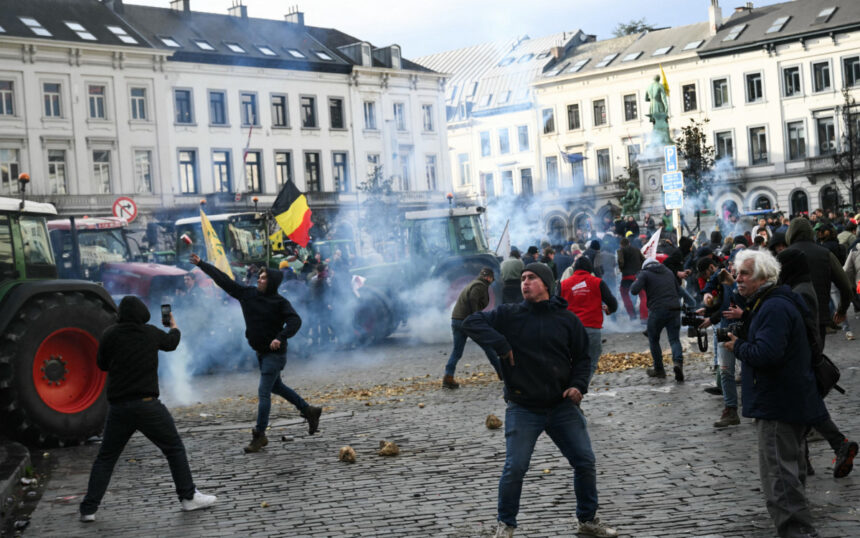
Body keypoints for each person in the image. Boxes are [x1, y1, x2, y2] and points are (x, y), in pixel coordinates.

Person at [462, 263, 618, 538]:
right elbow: (471, 322)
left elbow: (583, 359)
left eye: (531, 278)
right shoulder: (509, 314)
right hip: (523, 407)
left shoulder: (567, 319)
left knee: (584, 461)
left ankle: (587, 520)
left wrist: (578, 386)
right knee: (515, 467)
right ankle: (506, 525)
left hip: (561, 406)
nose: (525, 282)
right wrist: (501, 344)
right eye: (523, 278)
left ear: (546, 284)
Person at [79, 296, 216, 522]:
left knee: (106, 458)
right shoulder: (150, 332)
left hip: (119, 408)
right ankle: (188, 497)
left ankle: (88, 510)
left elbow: (101, 364)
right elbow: (171, 343)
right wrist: (174, 326)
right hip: (147, 405)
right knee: (174, 448)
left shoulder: (110, 334)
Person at [723, 250, 827, 538]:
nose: (738, 279)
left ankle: (798, 532)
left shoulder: (773, 307)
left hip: (778, 403)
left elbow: (767, 353)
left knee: (780, 476)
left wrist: (738, 346)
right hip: (788, 399)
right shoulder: (772, 302)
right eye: (737, 273)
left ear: (763, 277)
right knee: (789, 472)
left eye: (744, 274)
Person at [190, 253, 321, 453]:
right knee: (277, 386)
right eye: (259, 277)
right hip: (260, 352)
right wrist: (202, 264)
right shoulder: (248, 294)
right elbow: (224, 280)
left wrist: (281, 337)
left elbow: (295, 321)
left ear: (272, 282)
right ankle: (308, 410)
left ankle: (259, 435)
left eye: (264, 278)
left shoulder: (279, 302)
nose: (259, 279)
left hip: (274, 354)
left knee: (264, 392)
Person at [777, 248, 858, 478]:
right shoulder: (801, 287)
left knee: (805, 407)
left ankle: (832, 447)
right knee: (805, 406)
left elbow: (801, 328)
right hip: (804, 357)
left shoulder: (800, 291)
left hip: (801, 358)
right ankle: (814, 455)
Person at [785, 218, 853, 348]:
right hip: (819, 316)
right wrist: (842, 310)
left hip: (792, 316)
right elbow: (846, 286)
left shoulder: (784, 256)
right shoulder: (825, 254)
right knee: (816, 353)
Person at [696, 257, 741, 427]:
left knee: (749, 370)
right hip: (725, 327)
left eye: (733, 266)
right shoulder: (721, 276)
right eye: (730, 265)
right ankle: (730, 409)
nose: (731, 268)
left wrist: (711, 319)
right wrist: (707, 303)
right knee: (725, 370)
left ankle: (756, 408)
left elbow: (729, 305)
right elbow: (714, 294)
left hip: (742, 328)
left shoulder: (741, 280)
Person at [560, 257, 618, 384]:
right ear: (590, 269)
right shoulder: (597, 282)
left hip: (570, 331)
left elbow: (555, 306)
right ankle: (579, 387)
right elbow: (613, 303)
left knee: (570, 361)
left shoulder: (563, 284)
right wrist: (609, 310)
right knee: (590, 361)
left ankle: (569, 386)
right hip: (591, 328)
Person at [443, 267, 502, 388]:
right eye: (491, 278)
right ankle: (503, 374)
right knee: (488, 347)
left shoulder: (474, 284)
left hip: (456, 320)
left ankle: (448, 376)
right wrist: (476, 317)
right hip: (467, 322)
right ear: (488, 277)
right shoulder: (479, 285)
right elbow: (473, 298)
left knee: (457, 352)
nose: (492, 281)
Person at [630, 257, 684, 381]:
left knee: (653, 339)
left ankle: (659, 370)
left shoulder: (645, 273)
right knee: (674, 339)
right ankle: (678, 363)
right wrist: (691, 302)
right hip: (675, 309)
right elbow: (679, 290)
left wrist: (639, 278)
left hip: (657, 310)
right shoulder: (668, 272)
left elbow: (633, 290)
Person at [617, 236, 647, 321]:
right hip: (638, 276)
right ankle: (644, 317)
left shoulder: (621, 250)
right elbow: (644, 260)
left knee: (624, 294)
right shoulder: (637, 250)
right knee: (643, 295)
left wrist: (621, 269)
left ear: (621, 245)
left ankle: (632, 315)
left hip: (626, 277)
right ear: (629, 243)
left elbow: (621, 262)